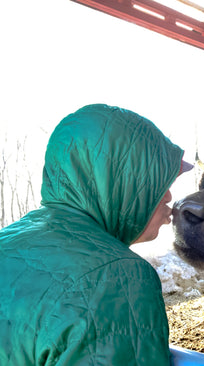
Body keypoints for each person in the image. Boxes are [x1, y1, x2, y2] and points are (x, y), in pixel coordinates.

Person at [0, 104, 193, 365]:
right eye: (157, 181)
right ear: (120, 182)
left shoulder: (8, 241)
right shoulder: (115, 278)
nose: (169, 196)